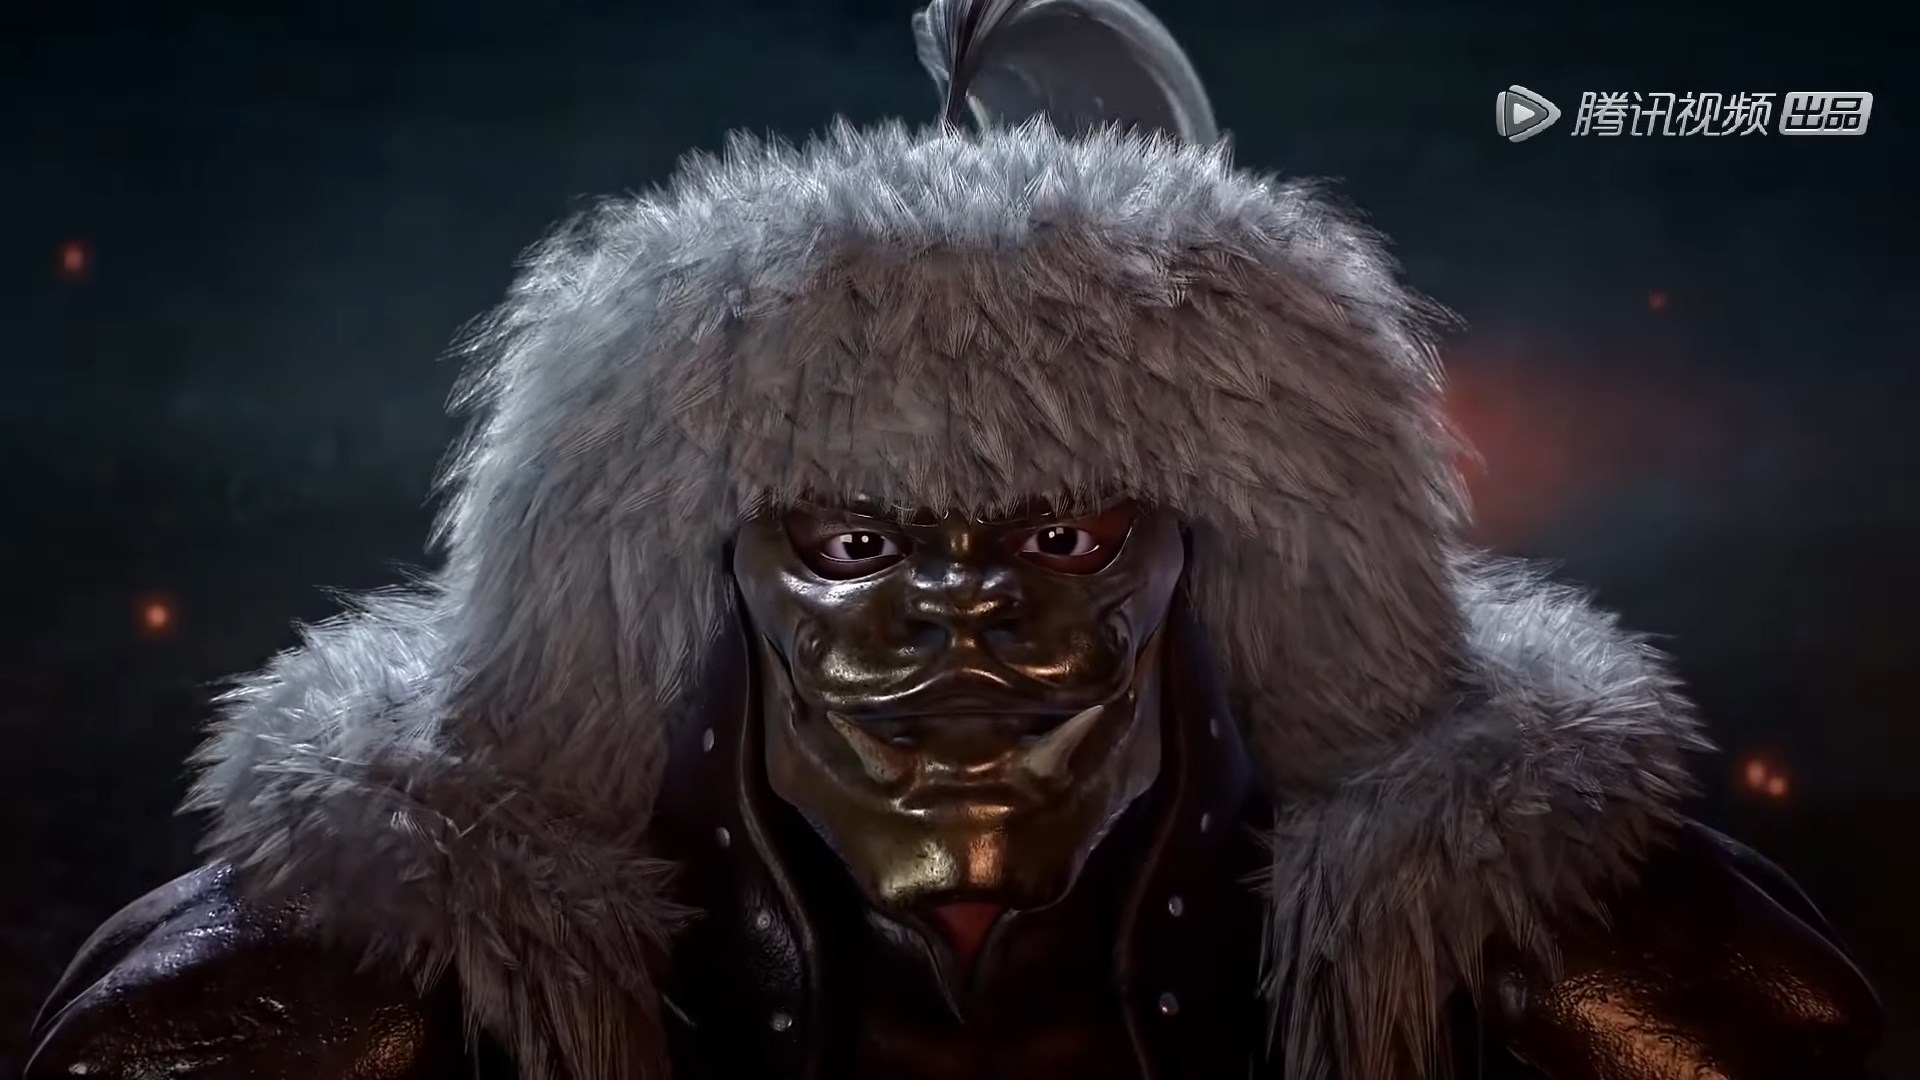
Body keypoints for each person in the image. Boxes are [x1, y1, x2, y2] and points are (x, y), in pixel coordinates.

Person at [23, 1, 1884, 1077]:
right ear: (707, 568)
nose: (963, 608)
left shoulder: (1549, 971)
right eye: (853, 541)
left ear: (1206, 553)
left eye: (1061, 531)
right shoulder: (366, 1005)